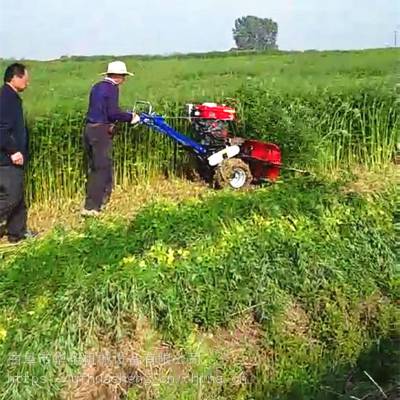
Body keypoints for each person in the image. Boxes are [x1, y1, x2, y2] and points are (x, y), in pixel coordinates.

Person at [82, 61, 140, 217]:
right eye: (124, 76)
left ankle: (99, 201)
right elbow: (113, 113)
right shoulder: (112, 88)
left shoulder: (97, 87)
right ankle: (92, 207)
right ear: (119, 76)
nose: (124, 80)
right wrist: (131, 117)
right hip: (101, 130)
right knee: (102, 168)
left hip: (89, 129)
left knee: (95, 167)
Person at [0, 63, 36, 242]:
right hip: (7, 158)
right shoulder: (6, 98)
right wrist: (13, 151)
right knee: (11, 196)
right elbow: (2, 129)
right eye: (25, 79)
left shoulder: (10, 96)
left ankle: (17, 233)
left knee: (19, 197)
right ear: (15, 77)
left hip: (12, 156)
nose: (27, 84)